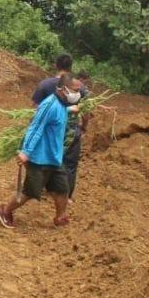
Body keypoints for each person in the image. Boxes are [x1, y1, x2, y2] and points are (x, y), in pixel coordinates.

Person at [0, 74, 82, 229]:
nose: (78, 94)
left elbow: (56, 115)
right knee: (30, 192)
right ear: (63, 89)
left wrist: (70, 109)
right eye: (75, 90)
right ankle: (4, 211)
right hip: (39, 158)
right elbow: (36, 128)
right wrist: (25, 152)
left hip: (54, 157)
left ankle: (60, 217)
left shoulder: (62, 104)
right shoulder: (49, 105)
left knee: (62, 188)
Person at [64, 71, 90, 202]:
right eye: (75, 89)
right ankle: (66, 194)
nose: (77, 92)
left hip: (67, 131)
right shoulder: (84, 92)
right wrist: (84, 127)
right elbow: (86, 112)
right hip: (70, 130)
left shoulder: (55, 91)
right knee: (70, 164)